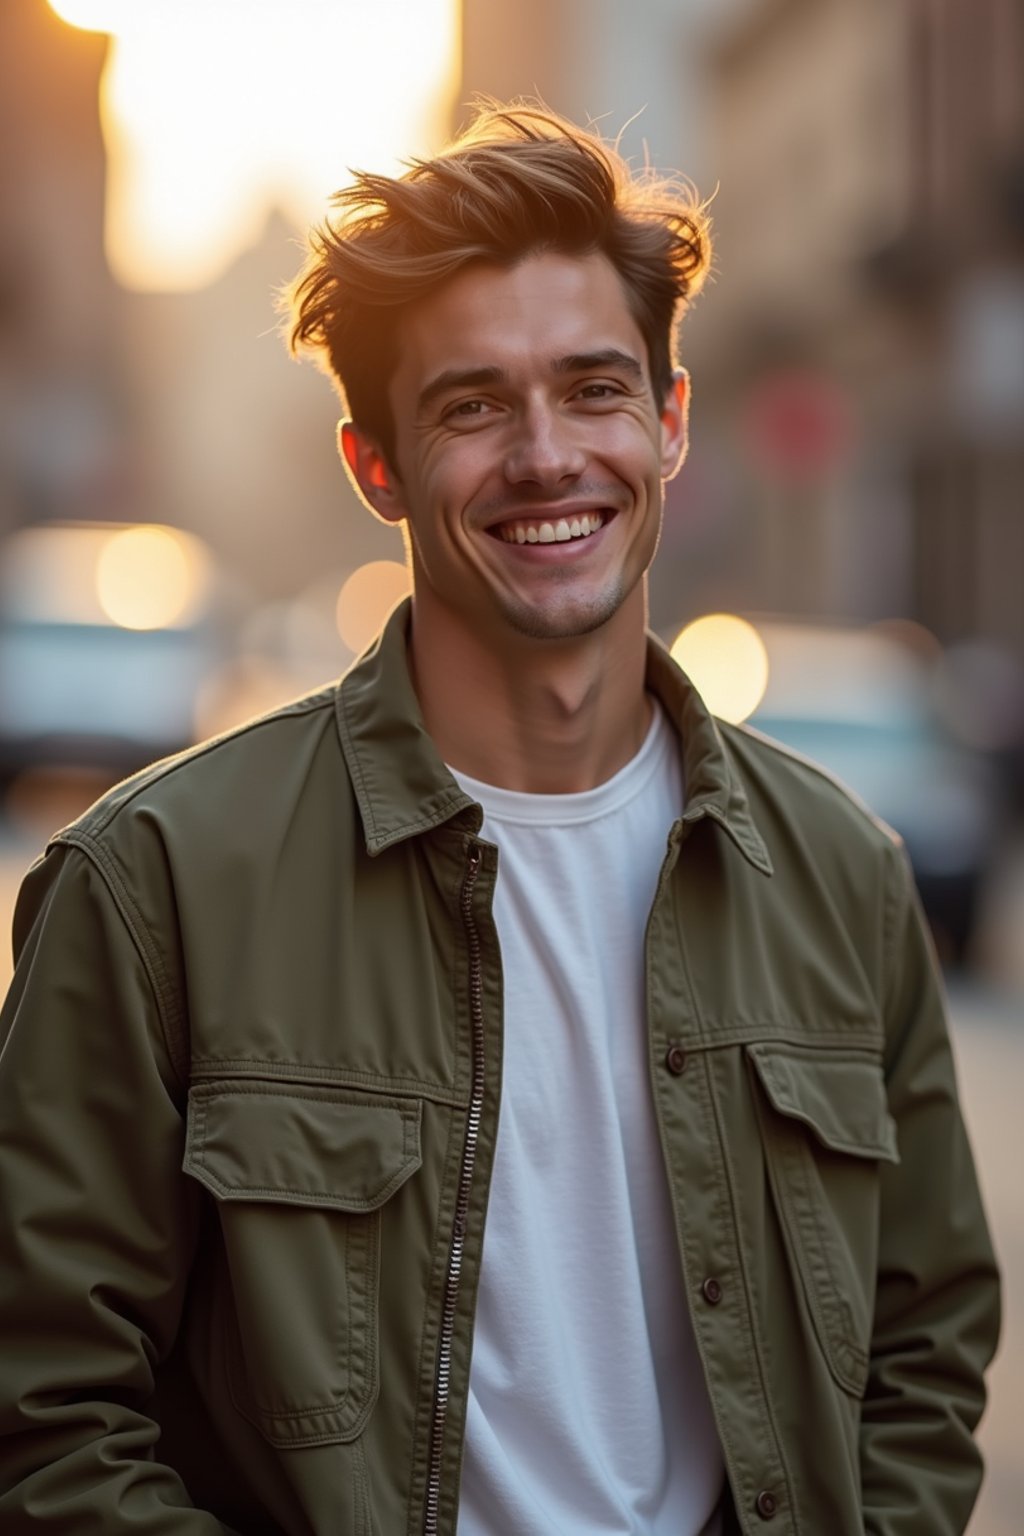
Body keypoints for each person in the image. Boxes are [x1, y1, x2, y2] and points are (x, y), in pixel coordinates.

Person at [0, 102, 1000, 1536]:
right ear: (376, 467)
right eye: (473, 406)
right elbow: (45, 1415)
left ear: (668, 421)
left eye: (594, 389)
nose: (546, 457)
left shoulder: (842, 877)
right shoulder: (155, 888)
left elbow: (925, 1347)